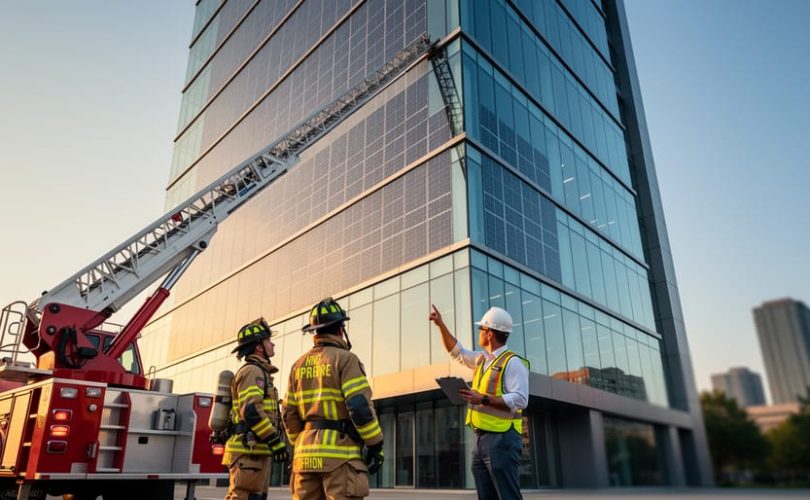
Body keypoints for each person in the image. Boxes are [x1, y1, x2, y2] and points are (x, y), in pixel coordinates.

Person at [283, 298, 384, 500]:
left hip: (304, 459)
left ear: (316, 332)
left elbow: (288, 413)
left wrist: (302, 442)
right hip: (340, 458)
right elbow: (359, 406)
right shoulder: (346, 359)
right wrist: (375, 444)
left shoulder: (297, 365)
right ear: (340, 329)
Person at [429, 305, 529, 500]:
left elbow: (521, 399)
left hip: (502, 439)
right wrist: (440, 324)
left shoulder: (513, 362)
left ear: (490, 334)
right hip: (480, 439)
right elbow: (457, 352)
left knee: (508, 496)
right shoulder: (482, 359)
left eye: (481, 329)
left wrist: (482, 398)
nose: (479, 333)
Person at [223, 318, 289, 500]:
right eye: (268, 340)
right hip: (248, 453)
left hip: (255, 452)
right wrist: (274, 440)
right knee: (243, 498)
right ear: (259, 347)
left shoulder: (261, 373)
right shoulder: (252, 372)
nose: (272, 344)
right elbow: (251, 410)